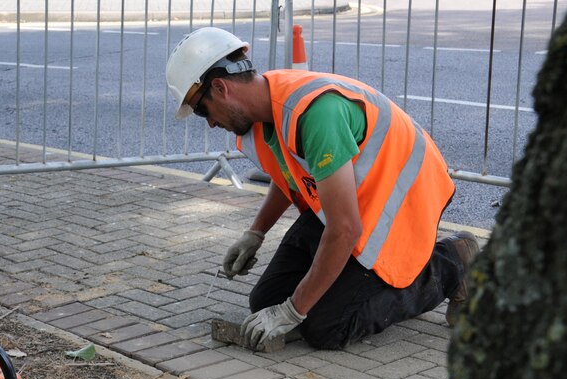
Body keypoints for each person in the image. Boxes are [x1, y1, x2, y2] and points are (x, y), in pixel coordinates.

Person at [165, 27, 479, 351]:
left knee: (326, 326)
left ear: (220, 87)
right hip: (348, 199)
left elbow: (345, 229)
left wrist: (293, 311)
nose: (211, 123)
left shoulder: (315, 114)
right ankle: (341, 290)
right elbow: (288, 171)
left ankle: (450, 262)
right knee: (265, 301)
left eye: (202, 110)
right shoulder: (264, 107)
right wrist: (256, 233)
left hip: (402, 197)